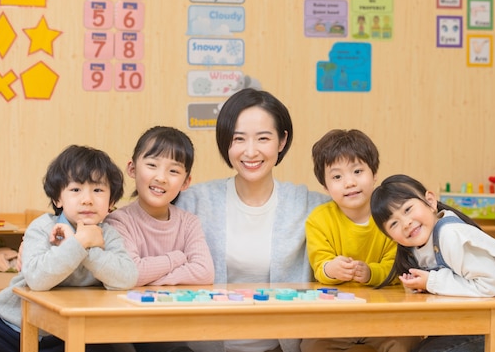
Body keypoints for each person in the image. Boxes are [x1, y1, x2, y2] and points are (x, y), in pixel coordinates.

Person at [175, 88, 330, 352]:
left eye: (263, 138)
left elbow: (362, 214)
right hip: (205, 347)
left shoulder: (308, 205)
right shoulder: (194, 201)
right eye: (238, 139)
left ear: (281, 142)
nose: (250, 151)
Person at [0, 145, 138, 352]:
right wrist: (77, 243)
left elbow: (126, 277)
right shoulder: (42, 227)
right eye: (75, 190)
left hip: (65, 334)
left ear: (111, 201)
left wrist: (87, 246)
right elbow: (37, 279)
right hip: (9, 325)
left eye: (97, 190)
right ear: (57, 198)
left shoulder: (109, 234)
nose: (87, 199)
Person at [370, 174, 495, 352]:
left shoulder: (450, 235)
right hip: (482, 323)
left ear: (430, 201)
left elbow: (492, 285)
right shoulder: (418, 246)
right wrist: (424, 285)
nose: (405, 223)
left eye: (407, 209)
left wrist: (432, 281)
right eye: (393, 223)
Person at [302, 129, 419, 352]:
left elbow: (396, 267)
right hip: (334, 319)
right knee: (312, 344)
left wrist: (369, 273)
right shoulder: (318, 220)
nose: (349, 183)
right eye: (337, 177)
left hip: (385, 317)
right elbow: (320, 265)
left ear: (374, 174)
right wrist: (332, 269)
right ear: (326, 187)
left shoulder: (391, 217)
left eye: (357, 171)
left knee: (407, 342)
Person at [106, 126, 215, 352]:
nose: (161, 177)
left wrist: (148, 279)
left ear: (186, 182)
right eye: (152, 165)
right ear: (132, 168)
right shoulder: (118, 222)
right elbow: (131, 273)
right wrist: (177, 258)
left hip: (171, 331)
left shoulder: (189, 222)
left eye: (173, 171)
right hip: (123, 328)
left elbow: (205, 272)